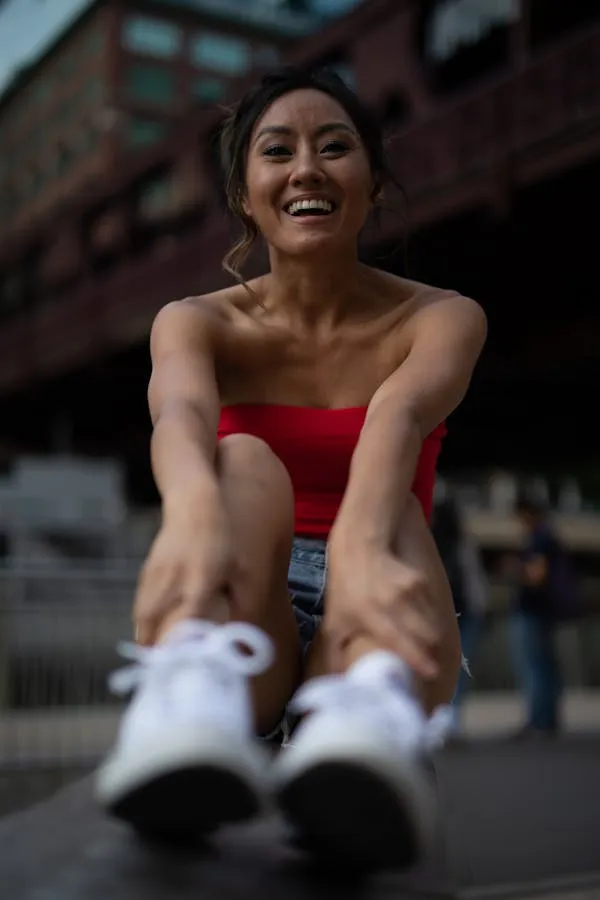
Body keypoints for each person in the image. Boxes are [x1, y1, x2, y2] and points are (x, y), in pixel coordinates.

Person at [95, 66, 487, 869]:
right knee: (236, 459)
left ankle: (361, 728)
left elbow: (398, 422)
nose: (306, 167)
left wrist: (355, 562)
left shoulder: (441, 316)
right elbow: (180, 417)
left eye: (334, 147)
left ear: (374, 186)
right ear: (245, 194)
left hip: (378, 584)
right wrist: (192, 522)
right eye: (278, 151)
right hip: (246, 598)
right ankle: (191, 706)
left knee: (391, 510)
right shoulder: (196, 322)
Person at [431, 493, 489, 733]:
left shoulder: (438, 542)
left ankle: (446, 719)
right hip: (466, 610)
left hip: (450, 611)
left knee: (445, 668)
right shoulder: (462, 542)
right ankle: (449, 718)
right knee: (456, 669)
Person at [508, 494, 564, 737]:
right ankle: (548, 719)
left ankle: (538, 720)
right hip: (545, 611)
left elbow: (537, 575)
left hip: (533, 611)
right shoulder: (548, 535)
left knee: (534, 666)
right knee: (545, 665)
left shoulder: (539, 538)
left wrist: (516, 569)